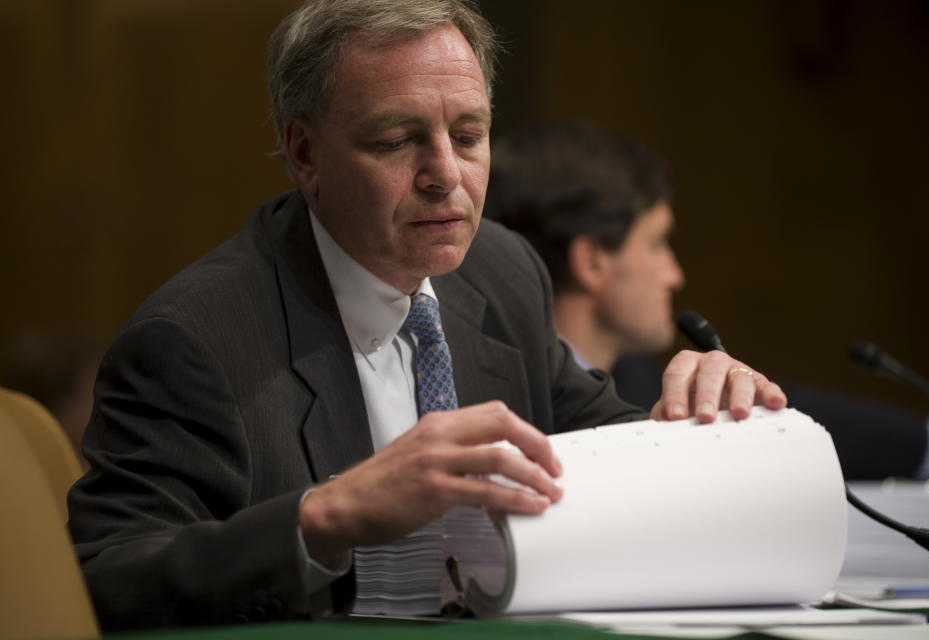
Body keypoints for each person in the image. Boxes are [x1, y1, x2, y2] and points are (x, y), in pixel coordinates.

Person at [67, 1, 786, 630]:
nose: (446, 174)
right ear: (305, 152)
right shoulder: (195, 340)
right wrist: (328, 516)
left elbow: (597, 439)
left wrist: (702, 424)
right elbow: (107, 579)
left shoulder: (500, 271)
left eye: (469, 137)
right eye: (396, 141)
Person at [485, 120, 929, 481]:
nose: (675, 274)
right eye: (657, 244)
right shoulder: (486, 389)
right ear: (592, 261)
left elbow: (808, 417)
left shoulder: (639, 380)